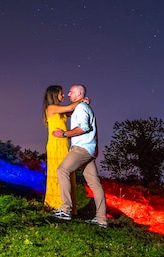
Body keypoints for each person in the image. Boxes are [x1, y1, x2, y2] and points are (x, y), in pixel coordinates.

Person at [51, 84, 108, 228]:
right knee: (95, 184)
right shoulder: (81, 107)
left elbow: (83, 128)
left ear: (78, 93)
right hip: (89, 149)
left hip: (81, 148)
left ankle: (65, 210)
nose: (68, 95)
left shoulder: (82, 108)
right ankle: (102, 219)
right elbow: (69, 110)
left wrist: (63, 134)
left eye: (70, 92)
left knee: (62, 170)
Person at [42, 85, 87, 212]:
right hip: (55, 144)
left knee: (67, 172)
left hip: (63, 143)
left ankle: (68, 206)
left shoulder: (60, 110)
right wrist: (82, 99)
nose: (63, 96)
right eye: (61, 94)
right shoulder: (51, 108)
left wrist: (83, 105)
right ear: (54, 95)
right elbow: (71, 107)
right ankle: (55, 204)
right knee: (58, 173)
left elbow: (73, 111)